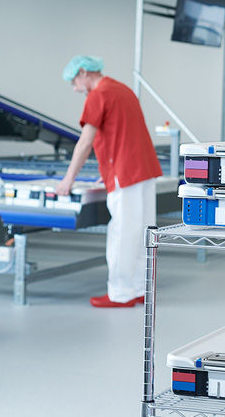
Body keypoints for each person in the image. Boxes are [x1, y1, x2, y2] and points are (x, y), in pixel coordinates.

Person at [57, 55, 163, 308]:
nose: (75, 88)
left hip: (125, 172)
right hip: (145, 169)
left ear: (84, 72)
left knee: (123, 233)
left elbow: (85, 142)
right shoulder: (123, 89)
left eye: (74, 82)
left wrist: (67, 180)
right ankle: (139, 288)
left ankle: (120, 293)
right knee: (143, 231)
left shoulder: (98, 95)